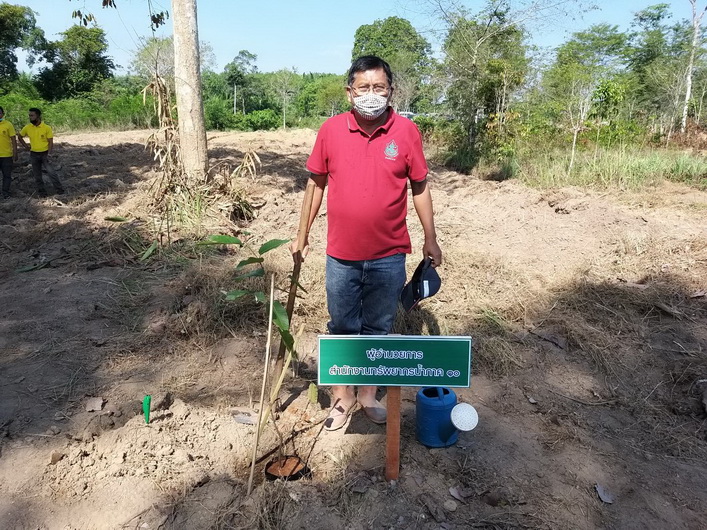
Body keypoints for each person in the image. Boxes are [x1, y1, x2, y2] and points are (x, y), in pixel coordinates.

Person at [292, 56, 442, 431]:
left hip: (389, 255)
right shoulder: (331, 130)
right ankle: (342, 398)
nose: (371, 94)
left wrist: (431, 238)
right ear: (350, 92)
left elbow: (419, 187)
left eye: (379, 87)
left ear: (391, 91)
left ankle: (368, 396)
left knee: (378, 326)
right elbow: (315, 184)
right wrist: (301, 234)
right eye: (364, 88)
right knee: (342, 326)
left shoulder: (406, 131)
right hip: (341, 256)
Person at [17, 107, 64, 197]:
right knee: (37, 175)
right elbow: (20, 136)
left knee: (51, 173)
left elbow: (50, 142)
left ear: (38, 116)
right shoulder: (28, 127)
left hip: (45, 153)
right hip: (34, 154)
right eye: (29, 115)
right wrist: (26, 146)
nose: (30, 117)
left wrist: (49, 153)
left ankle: (60, 190)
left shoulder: (46, 128)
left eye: (32, 115)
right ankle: (42, 193)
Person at [0, 106, 18, 199]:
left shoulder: (8, 125)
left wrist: (15, 152)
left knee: (7, 175)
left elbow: (13, 139)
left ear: (2, 114)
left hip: (6, 155)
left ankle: (5, 193)